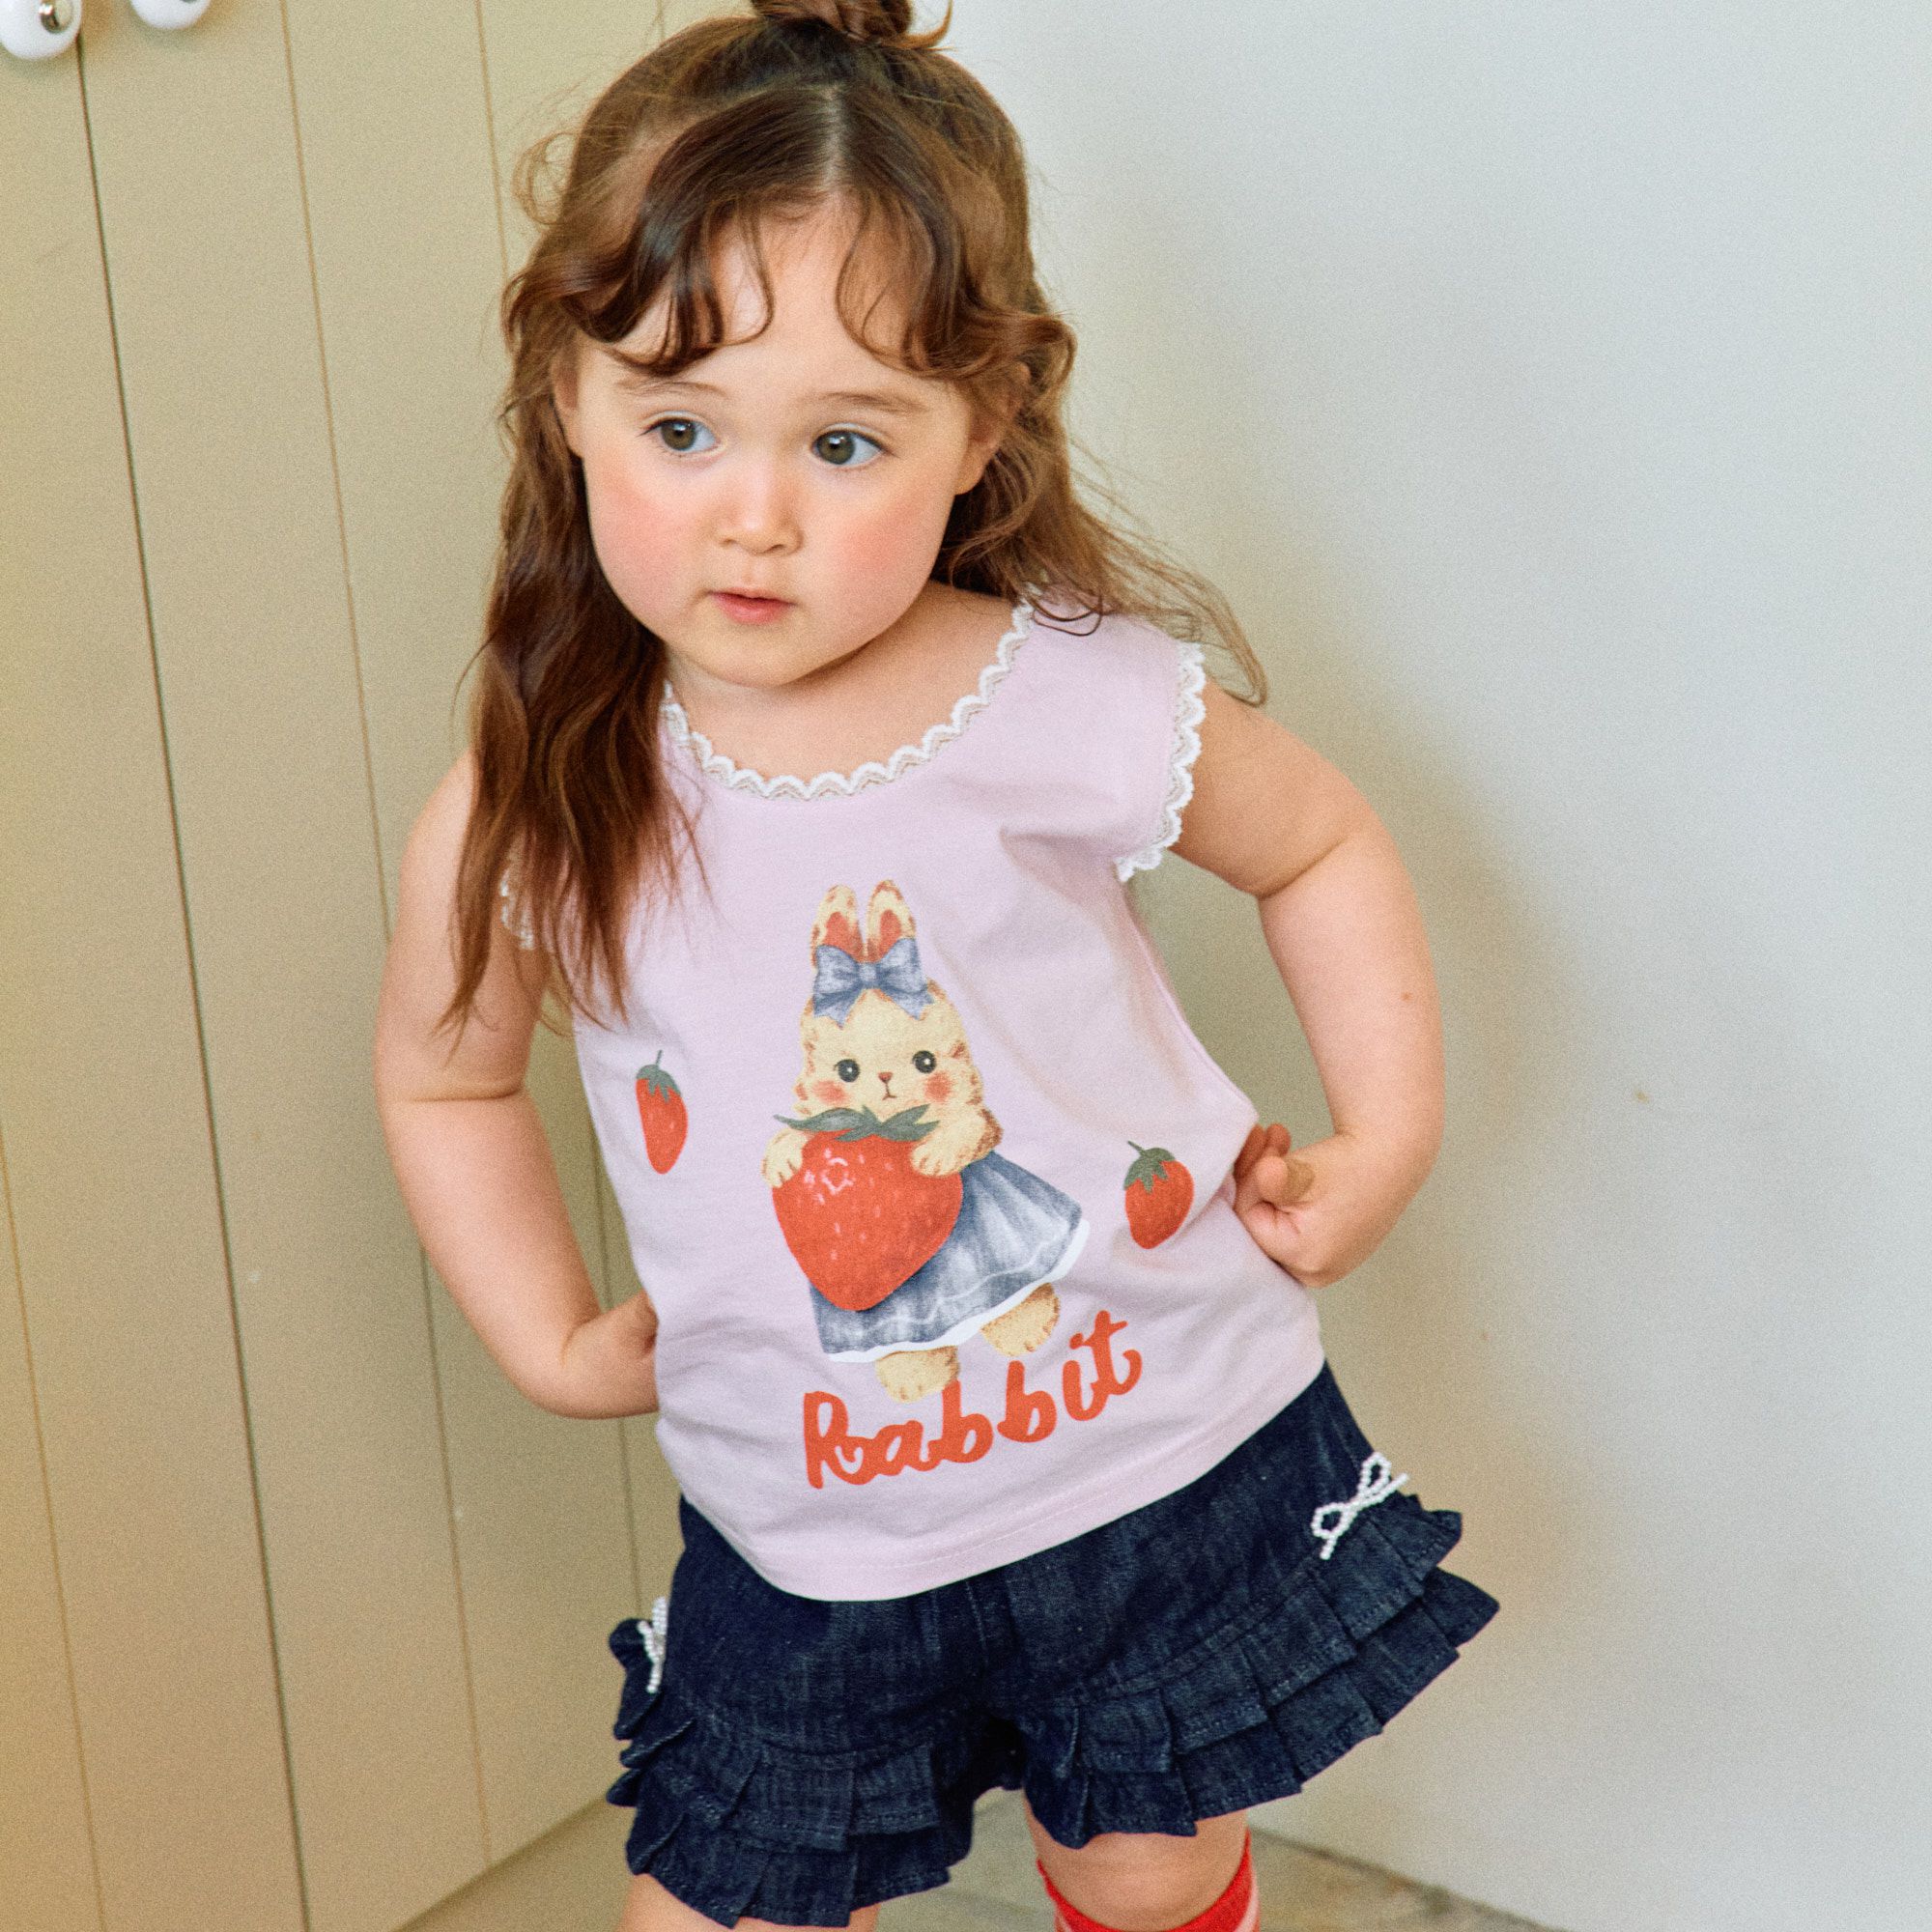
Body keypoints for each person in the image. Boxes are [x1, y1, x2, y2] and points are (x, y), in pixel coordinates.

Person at [372, 3, 1500, 1929]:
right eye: (678, 425)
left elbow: (1316, 842)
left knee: (1145, 1863)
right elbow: (445, 1068)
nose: (754, 514)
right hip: (810, 1540)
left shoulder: (1057, 690)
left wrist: (1382, 1133)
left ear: (979, 429)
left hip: (1157, 1456)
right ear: (563, 392)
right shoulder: (540, 794)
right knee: (722, 1900)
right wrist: (547, 1333)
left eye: (842, 441)